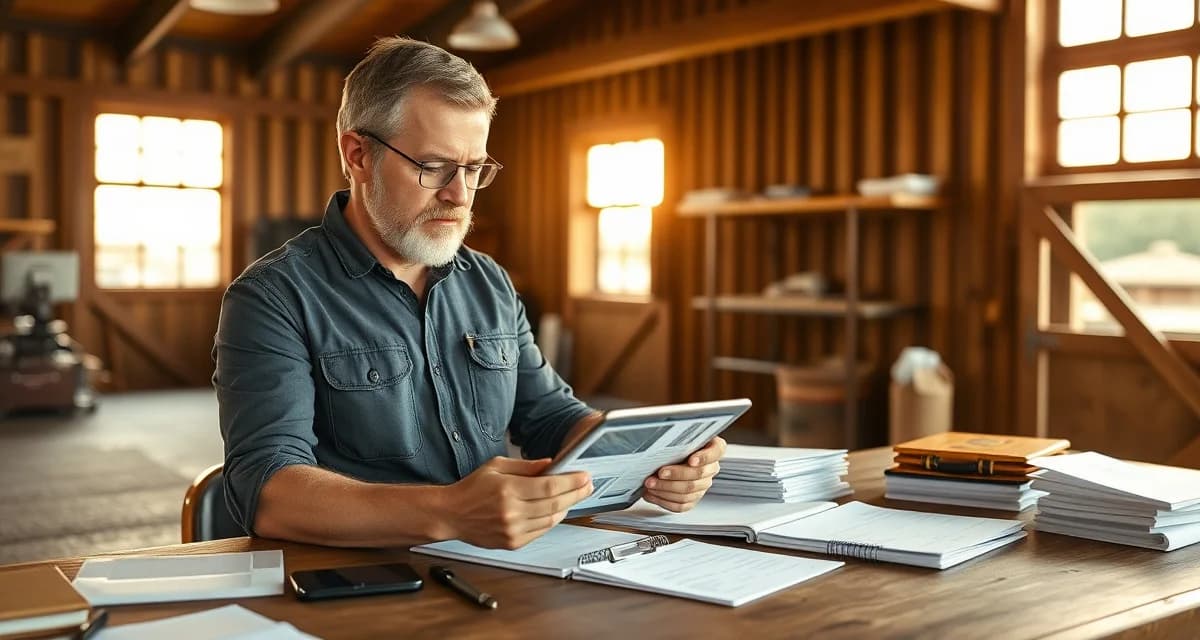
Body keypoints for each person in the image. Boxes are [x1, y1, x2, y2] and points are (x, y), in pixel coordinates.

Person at [213, 37, 726, 550]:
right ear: (358, 155)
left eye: (474, 169)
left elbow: (549, 417)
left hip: (499, 566)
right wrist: (451, 511)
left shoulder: (489, 282)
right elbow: (266, 489)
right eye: (433, 167)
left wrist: (652, 456)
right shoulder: (273, 297)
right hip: (358, 580)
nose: (459, 194)